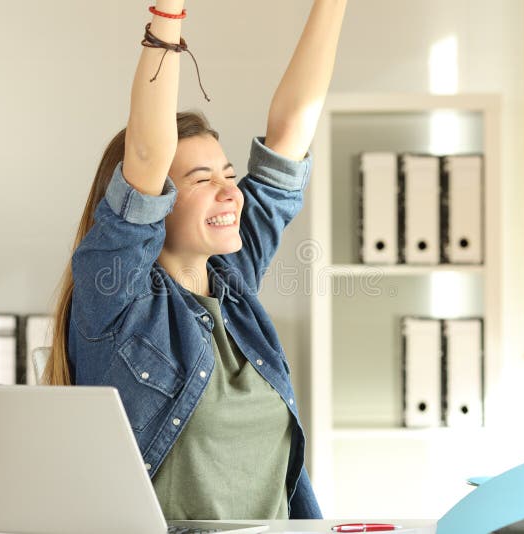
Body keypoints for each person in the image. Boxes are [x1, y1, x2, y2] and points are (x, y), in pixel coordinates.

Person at [44, 0, 347, 521]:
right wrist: (168, 15)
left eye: (228, 175)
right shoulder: (114, 303)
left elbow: (293, 128)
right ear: (155, 204)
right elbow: (145, 154)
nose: (231, 192)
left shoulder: (234, 280)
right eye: (202, 180)